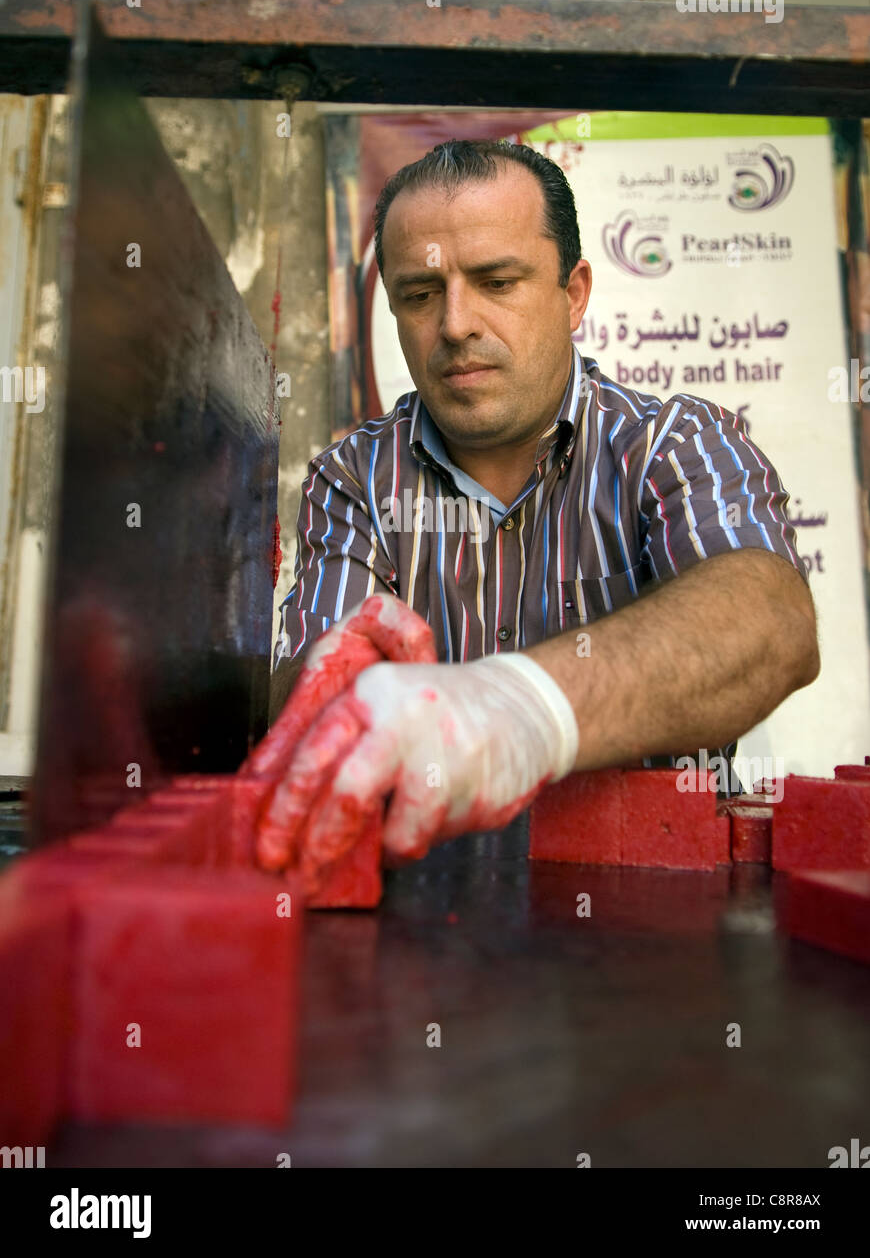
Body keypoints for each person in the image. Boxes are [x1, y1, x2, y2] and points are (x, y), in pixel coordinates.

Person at [260, 139, 819, 891]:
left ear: (574, 292)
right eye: (421, 294)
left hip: (653, 916)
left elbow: (770, 626)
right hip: (428, 920)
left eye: (496, 281)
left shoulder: (673, 444)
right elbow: (311, 700)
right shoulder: (354, 479)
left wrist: (518, 707)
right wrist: (326, 694)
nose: (456, 324)